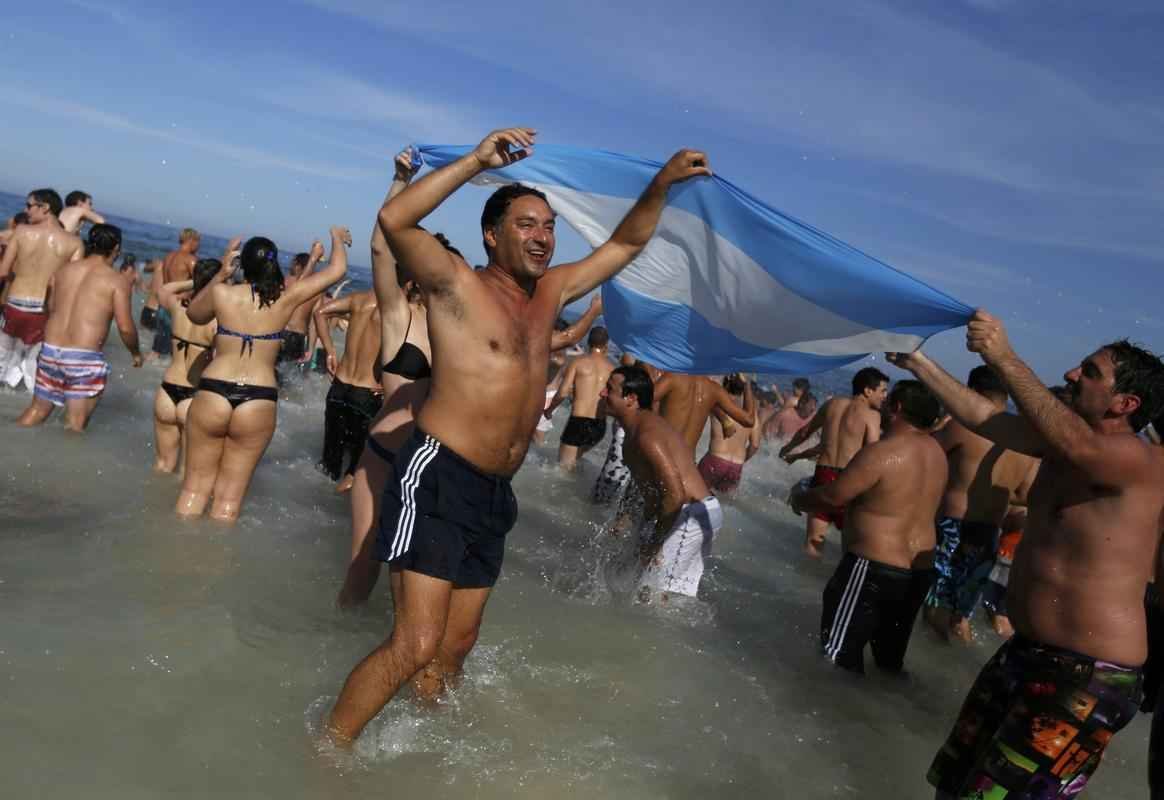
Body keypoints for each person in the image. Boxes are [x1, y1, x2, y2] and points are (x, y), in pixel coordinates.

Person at [326, 127, 711, 744]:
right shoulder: (456, 283)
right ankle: (326, 752)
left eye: (549, 226)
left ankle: (419, 750)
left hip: (495, 491)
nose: (542, 236)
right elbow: (395, 219)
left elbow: (625, 244)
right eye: (527, 224)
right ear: (492, 234)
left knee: (457, 645)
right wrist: (478, 160)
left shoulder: (552, 292)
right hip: (438, 473)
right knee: (415, 643)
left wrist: (660, 184)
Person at [886, 310, 1164, 799]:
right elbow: (983, 417)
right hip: (1026, 654)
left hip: (1087, 677)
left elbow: (1082, 449)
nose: (1071, 375)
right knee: (952, 786)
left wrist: (1004, 357)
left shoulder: (1136, 459)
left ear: (1126, 403)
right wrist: (919, 363)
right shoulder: (1062, 447)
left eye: (1089, 372)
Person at [175, 227, 349, 522]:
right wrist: (336, 238)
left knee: (193, 490)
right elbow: (337, 270)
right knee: (229, 501)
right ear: (274, 264)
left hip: (214, 390)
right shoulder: (286, 297)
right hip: (258, 398)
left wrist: (221, 273)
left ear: (243, 263)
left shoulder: (223, 293)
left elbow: (194, 314)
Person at [788, 380, 946, 674]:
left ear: (896, 408)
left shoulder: (883, 452)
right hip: (919, 571)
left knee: (836, 659)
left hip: (873, 569)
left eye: (888, 403)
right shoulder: (937, 454)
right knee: (889, 662)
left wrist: (799, 498)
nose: (883, 409)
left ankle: (831, 717)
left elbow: (834, 496)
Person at [923, 365, 1040, 643]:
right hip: (989, 535)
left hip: (955, 526)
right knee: (961, 615)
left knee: (934, 604)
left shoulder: (965, 426)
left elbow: (922, 456)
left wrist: (941, 425)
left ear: (970, 392)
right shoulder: (1024, 439)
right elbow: (1025, 494)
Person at [603, 364, 723, 600]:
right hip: (690, 512)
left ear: (631, 399)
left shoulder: (647, 436)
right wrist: (643, 537)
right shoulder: (632, 438)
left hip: (692, 514)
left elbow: (675, 495)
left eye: (609, 389)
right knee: (651, 589)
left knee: (647, 596)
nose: (602, 393)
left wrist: (655, 543)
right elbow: (652, 496)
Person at [17, 224, 141, 430]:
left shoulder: (63, 270)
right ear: (116, 248)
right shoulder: (117, 281)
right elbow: (126, 327)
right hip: (83, 358)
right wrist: (136, 353)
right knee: (75, 425)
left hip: (50, 351)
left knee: (37, 411)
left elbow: (50, 308)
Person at [780, 367, 889, 557]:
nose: (885, 396)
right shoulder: (872, 416)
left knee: (813, 542)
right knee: (851, 545)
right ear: (867, 390)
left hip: (822, 475)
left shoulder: (832, 404)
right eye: (882, 390)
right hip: (849, 480)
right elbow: (872, 454)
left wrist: (787, 449)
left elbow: (805, 432)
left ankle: (806, 577)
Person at [0, 189, 84, 391]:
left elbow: (3, 272)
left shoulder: (21, 232)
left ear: (45, 208)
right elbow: (70, 286)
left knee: (2, 357)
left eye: (29, 206)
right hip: (42, 311)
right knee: (31, 365)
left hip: (14, 306)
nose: (25, 210)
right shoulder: (74, 243)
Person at [151, 256, 225, 473]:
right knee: (187, 474)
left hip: (166, 392)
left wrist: (196, 281)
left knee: (163, 465)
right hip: (192, 397)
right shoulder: (217, 321)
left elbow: (164, 290)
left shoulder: (179, 307)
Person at [314, 289, 384, 493]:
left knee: (328, 465)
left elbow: (320, 312)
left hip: (339, 388)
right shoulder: (396, 308)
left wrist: (329, 352)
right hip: (366, 394)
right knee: (356, 471)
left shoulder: (358, 298)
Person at [545, 325, 615, 469]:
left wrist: (549, 410)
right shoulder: (612, 369)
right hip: (599, 426)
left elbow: (563, 392)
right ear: (606, 345)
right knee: (575, 462)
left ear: (588, 342)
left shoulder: (578, 363)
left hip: (578, 423)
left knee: (563, 469)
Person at [653, 370, 756, 454]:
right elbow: (749, 420)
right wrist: (747, 384)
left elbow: (640, 401)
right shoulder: (714, 389)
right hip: (687, 465)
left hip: (663, 456)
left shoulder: (672, 377)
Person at [696, 373, 759, 496]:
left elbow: (703, 388)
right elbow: (755, 445)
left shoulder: (718, 402)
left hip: (715, 460)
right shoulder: (753, 414)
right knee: (723, 504)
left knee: (695, 497)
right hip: (736, 466)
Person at [152, 228, 200, 361]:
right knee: (175, 355)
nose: (198, 246)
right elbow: (200, 283)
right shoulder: (190, 260)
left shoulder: (168, 256)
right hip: (176, 308)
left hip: (162, 306)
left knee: (157, 350)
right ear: (191, 241)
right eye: (198, 242)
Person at [280, 244, 325, 364]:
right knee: (289, 375)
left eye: (292, 263)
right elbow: (314, 322)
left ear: (297, 265)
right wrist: (310, 349)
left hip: (278, 331)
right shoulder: (317, 291)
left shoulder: (286, 281)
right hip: (298, 337)